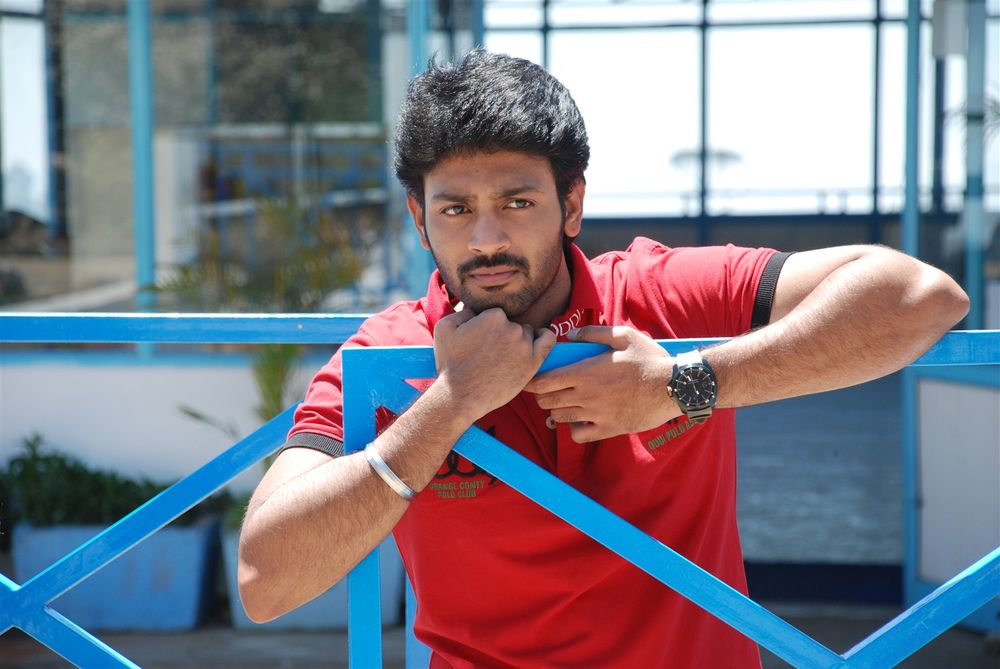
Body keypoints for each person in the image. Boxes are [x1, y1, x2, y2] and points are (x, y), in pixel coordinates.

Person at [237, 50, 968, 668]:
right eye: (455, 209)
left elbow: (920, 296)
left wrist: (683, 384)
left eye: (518, 202)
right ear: (419, 220)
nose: (486, 239)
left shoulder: (657, 295)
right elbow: (264, 580)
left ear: (572, 204)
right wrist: (449, 404)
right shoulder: (387, 353)